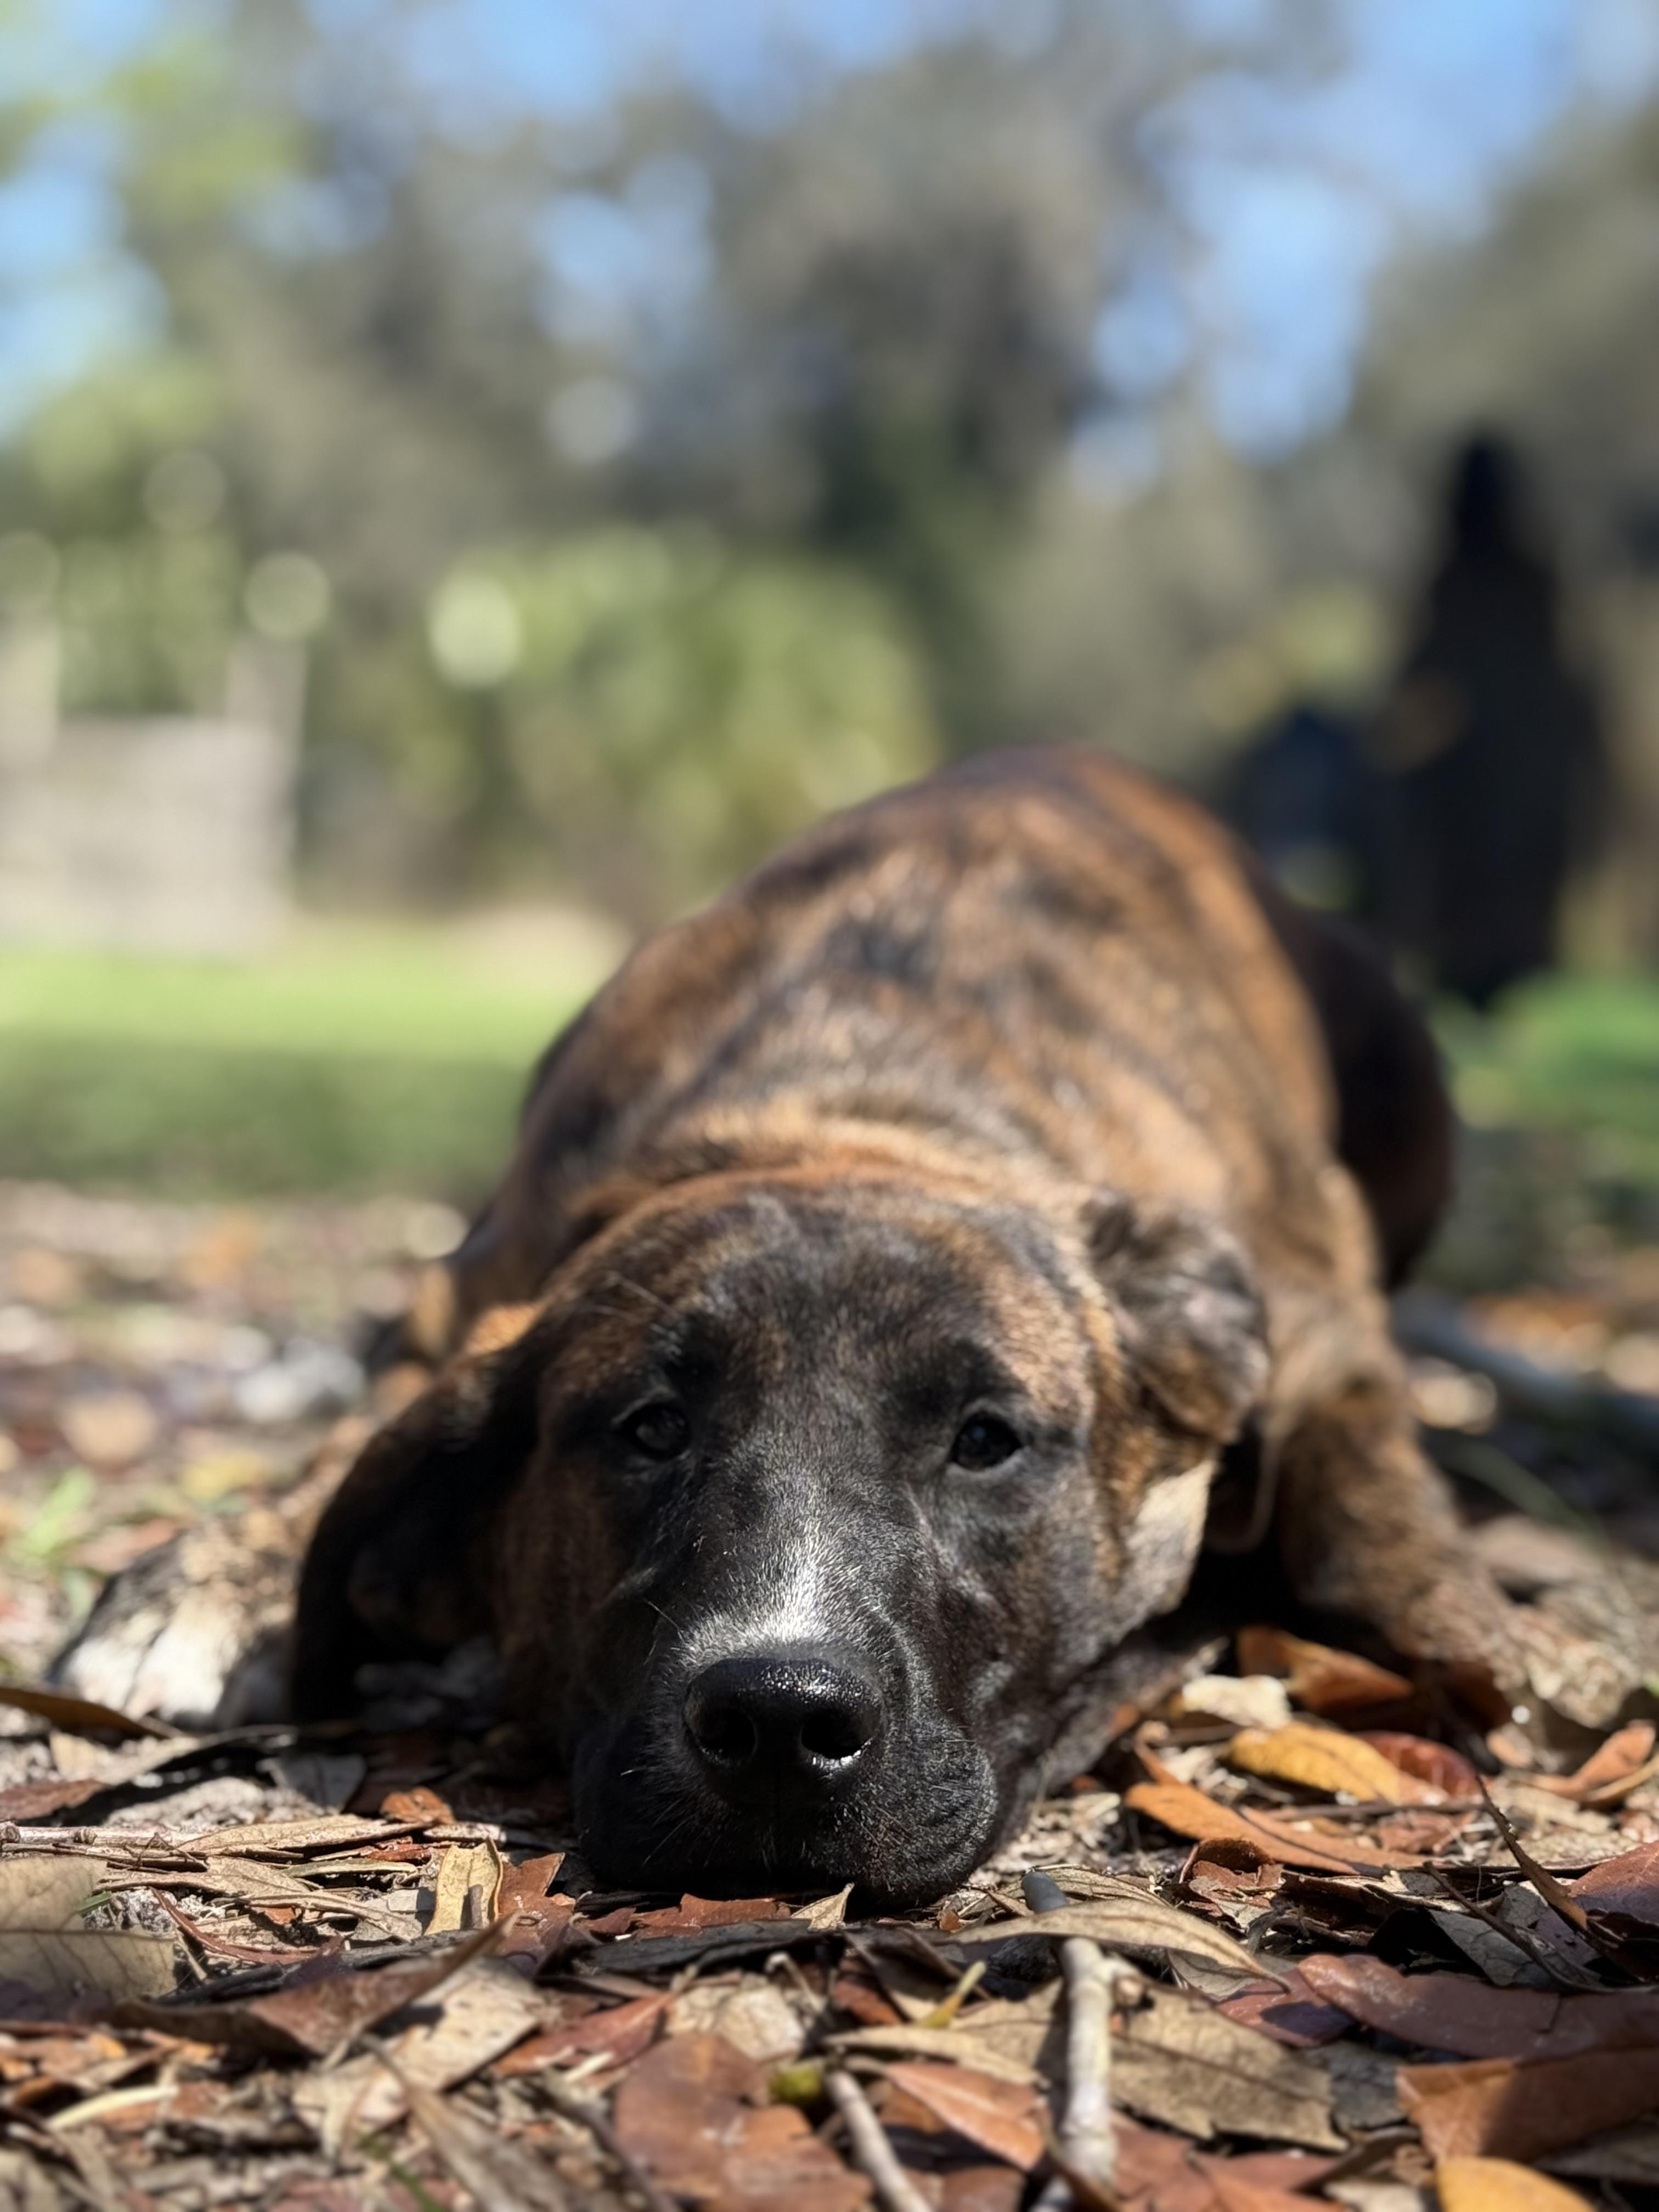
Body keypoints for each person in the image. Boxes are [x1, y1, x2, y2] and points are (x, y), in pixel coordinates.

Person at [1373, 432, 1604, 1009]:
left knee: (1502, 901)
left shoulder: (1520, 581)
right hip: (1496, 775)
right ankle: (1484, 986)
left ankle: (1499, 986)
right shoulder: (1502, 581)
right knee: (1486, 902)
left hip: (1507, 774)